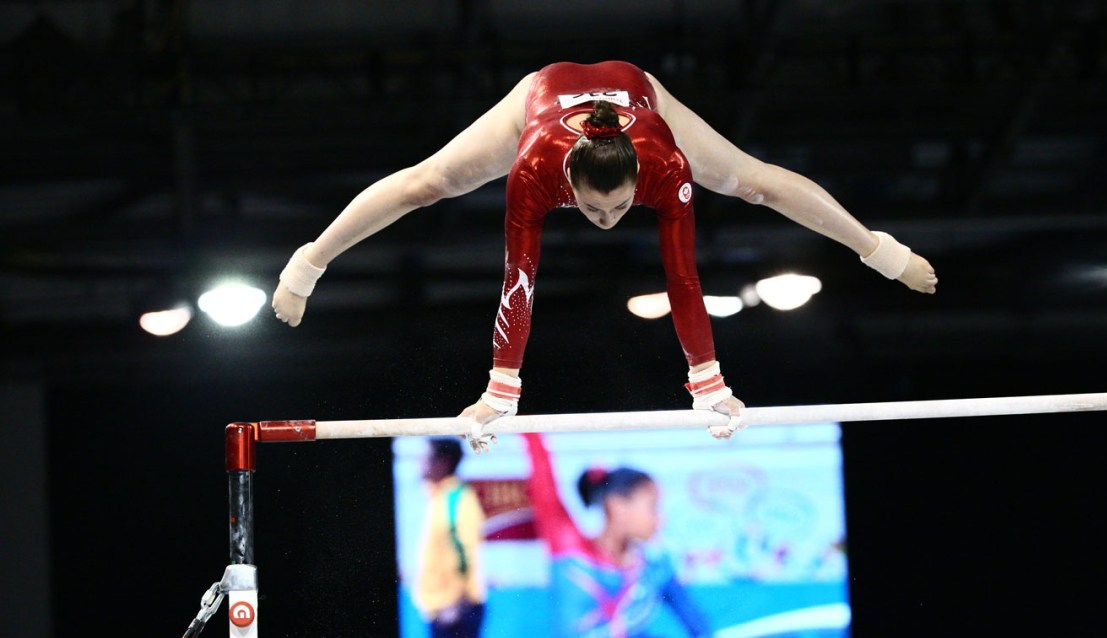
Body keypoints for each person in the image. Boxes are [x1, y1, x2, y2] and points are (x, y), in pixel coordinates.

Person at [272, 61, 938, 449]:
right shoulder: (533, 170)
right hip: (544, 93)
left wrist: (707, 383)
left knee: (753, 180)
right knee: (429, 183)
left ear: (637, 185)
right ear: (569, 183)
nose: (605, 221)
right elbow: (518, 279)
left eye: (617, 209)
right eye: (592, 210)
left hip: (635, 89)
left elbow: (683, 276)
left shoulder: (663, 166)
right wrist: (500, 391)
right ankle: (309, 260)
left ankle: (876, 248)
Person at [523, 433, 713, 638]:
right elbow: (543, 481)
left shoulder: (655, 569)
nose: (660, 520)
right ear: (617, 506)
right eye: (653, 507)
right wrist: (530, 428)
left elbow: (702, 631)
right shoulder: (568, 548)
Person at [413, 437, 487, 638]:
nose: (420, 462)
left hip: (456, 609)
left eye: (425, 457)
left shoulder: (457, 498)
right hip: (441, 607)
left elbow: (466, 551)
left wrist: (457, 602)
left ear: (443, 462)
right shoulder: (438, 496)